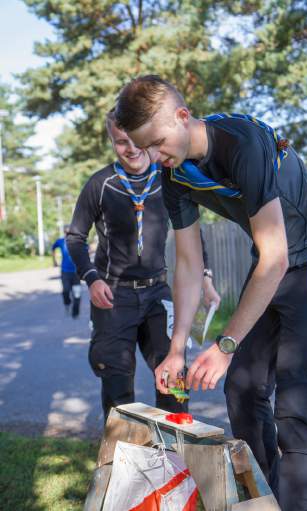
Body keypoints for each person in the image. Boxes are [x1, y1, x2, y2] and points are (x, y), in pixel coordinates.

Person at [114, 75, 307, 511]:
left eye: (158, 142)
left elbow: (276, 256)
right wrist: (177, 347)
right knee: (242, 387)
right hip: (270, 263)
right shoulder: (174, 171)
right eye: (144, 149)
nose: (154, 156)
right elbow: (187, 262)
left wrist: (226, 343)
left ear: (183, 116)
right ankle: (263, 499)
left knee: (296, 402)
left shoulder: (243, 144)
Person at [66, 116, 220, 423]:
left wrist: (206, 278)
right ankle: (122, 462)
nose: (131, 148)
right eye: (121, 141)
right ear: (111, 142)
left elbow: (192, 235)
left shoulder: (170, 178)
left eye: (136, 140)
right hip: (113, 295)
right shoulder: (100, 184)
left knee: (174, 378)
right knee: (117, 386)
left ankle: (175, 458)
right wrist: (92, 278)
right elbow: (75, 238)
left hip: (157, 293)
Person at [52, 225, 81, 318]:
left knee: (77, 295)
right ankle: (67, 303)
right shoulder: (60, 241)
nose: (68, 235)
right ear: (64, 233)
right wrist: (54, 260)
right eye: (66, 233)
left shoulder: (78, 242)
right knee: (66, 291)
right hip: (65, 272)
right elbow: (53, 248)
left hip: (76, 273)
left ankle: (75, 313)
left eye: (70, 233)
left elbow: (87, 249)